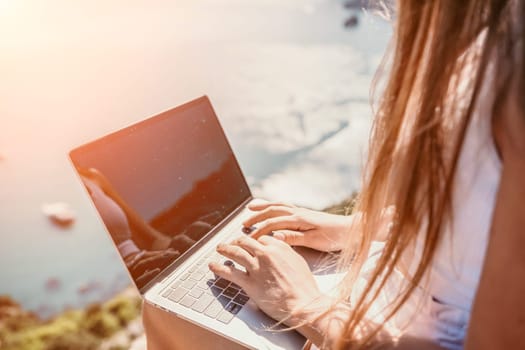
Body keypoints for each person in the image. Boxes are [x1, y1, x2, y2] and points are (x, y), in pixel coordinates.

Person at [205, 1, 525, 349]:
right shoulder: (492, 37)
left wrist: (305, 307)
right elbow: (470, 215)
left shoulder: (512, 73)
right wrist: (359, 229)